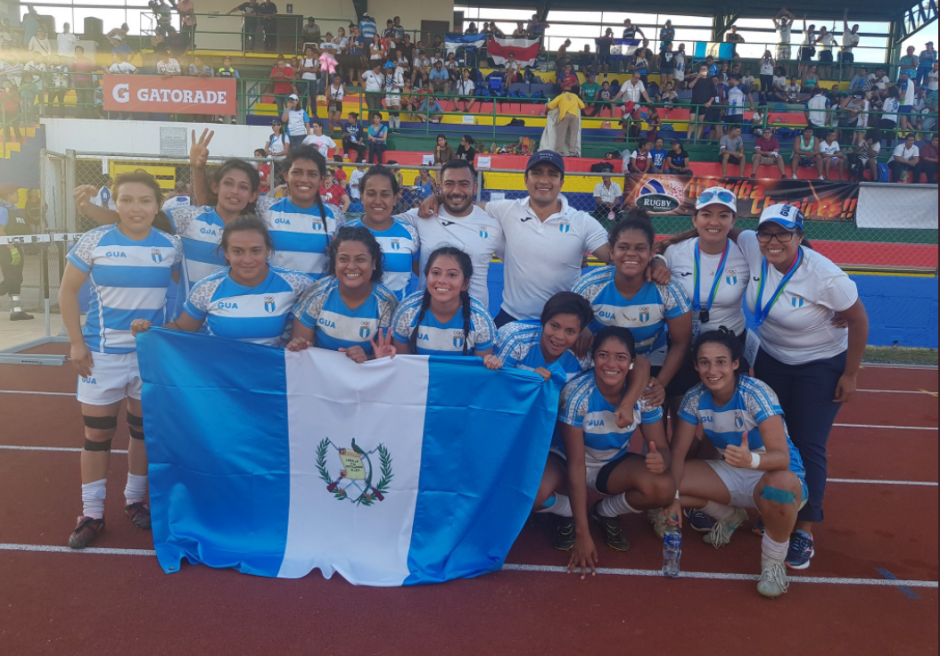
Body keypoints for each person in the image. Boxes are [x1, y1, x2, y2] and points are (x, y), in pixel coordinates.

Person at [59, 172, 183, 549]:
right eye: (126, 200)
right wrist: (76, 344)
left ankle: (134, 501)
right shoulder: (93, 240)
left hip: (149, 357)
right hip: (101, 357)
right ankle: (92, 513)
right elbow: (67, 292)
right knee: (97, 435)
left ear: (157, 205)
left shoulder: (171, 246)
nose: (136, 208)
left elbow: (183, 292)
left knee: (142, 432)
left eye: (144, 200)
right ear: (115, 203)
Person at [663, 330, 808, 597]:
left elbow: (782, 458)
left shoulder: (756, 393)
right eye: (704, 362)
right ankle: (729, 517)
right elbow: (678, 455)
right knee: (662, 483)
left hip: (774, 475)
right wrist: (672, 497)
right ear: (696, 366)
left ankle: (773, 563)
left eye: (720, 361)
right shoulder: (694, 398)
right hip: (732, 472)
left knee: (781, 484)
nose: (712, 369)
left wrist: (750, 459)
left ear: (735, 363)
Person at [531, 326, 670, 567]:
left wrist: (662, 460)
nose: (611, 363)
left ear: (631, 362)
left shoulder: (644, 394)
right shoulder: (577, 395)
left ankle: (604, 511)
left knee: (664, 487)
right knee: (532, 493)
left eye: (621, 357)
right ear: (593, 358)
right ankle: (569, 513)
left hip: (610, 464)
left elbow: (663, 449)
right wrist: (582, 533)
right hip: (566, 461)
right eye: (603, 355)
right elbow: (576, 465)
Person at [76, 154, 262, 320]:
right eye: (228, 183)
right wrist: (90, 208)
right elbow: (135, 220)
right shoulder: (189, 217)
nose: (235, 191)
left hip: (233, 324)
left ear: (253, 195)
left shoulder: (256, 231)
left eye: (243, 187)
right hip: (188, 325)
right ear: (215, 187)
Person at [573, 212, 692, 411]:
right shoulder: (590, 286)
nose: (631, 254)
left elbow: (681, 343)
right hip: (604, 358)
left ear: (651, 253)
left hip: (650, 355)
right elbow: (567, 318)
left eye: (640, 248)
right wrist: (580, 326)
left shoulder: (668, 290)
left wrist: (660, 384)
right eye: (623, 247)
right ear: (611, 251)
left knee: (652, 406)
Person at [132, 216, 313, 345]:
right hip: (222, 383)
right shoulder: (207, 288)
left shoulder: (297, 284)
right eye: (238, 251)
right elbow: (182, 327)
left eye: (256, 251)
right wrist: (150, 331)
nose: (247, 259)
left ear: (267, 250)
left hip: (272, 380)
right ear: (226, 253)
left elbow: (327, 298)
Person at [192, 137, 336, 280]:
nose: (304, 179)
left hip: (316, 300)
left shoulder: (335, 216)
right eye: (297, 172)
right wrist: (197, 169)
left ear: (322, 179)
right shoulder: (265, 207)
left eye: (312, 174)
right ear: (286, 175)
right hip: (274, 298)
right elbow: (216, 207)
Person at [396, 160, 501, 308]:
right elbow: (377, 223)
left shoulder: (493, 224)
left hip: (474, 319)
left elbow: (516, 263)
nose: (456, 191)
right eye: (449, 184)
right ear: (440, 187)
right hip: (427, 316)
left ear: (475, 187)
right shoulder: (421, 215)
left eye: (464, 184)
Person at [288, 226, 397, 362]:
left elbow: (386, 357)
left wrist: (367, 358)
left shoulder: (386, 302)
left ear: (373, 263)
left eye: (360, 259)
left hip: (366, 378)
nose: (351, 266)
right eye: (344, 259)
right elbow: (299, 352)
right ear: (335, 263)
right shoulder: (317, 294)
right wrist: (299, 345)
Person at [390, 247, 495, 357]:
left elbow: (480, 371)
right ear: (426, 277)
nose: (442, 280)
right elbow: (402, 364)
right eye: (435, 273)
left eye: (452, 275)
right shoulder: (407, 312)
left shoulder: (480, 319)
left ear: (465, 283)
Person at [485, 292, 595, 386]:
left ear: (580, 333)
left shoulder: (586, 357)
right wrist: (528, 382)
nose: (560, 336)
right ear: (543, 321)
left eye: (570, 331)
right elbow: (493, 387)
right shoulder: (514, 339)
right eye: (554, 326)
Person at [344, 166, 419, 300]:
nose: (378, 201)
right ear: (362, 196)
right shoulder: (344, 232)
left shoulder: (410, 233)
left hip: (397, 317)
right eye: (371, 193)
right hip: (355, 317)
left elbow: (419, 271)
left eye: (385, 194)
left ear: (395, 199)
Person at [0, 183, 32, 321]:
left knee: (17, 279)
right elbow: (1, 231)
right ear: (8, 195)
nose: (18, 196)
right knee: (11, 279)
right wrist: (12, 249)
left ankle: (16, 311)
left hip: (16, 248)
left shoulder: (15, 210)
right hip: (7, 249)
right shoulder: (3, 210)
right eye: (16, 193)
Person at [546, 90, 585, 157]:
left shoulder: (561, 96)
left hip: (564, 115)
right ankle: (572, 153)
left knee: (561, 135)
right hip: (574, 116)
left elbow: (550, 105)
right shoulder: (575, 96)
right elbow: (582, 106)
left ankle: (559, 152)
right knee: (573, 135)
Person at [687, 65, 716, 141]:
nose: (703, 70)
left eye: (704, 69)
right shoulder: (695, 78)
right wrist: (697, 78)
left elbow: (714, 94)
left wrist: (709, 102)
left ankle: (696, 139)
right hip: (694, 102)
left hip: (703, 104)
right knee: (691, 121)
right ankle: (688, 138)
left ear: (707, 71)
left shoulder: (710, 81)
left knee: (700, 122)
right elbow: (689, 86)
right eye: (702, 69)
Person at [297, 46, 322, 116]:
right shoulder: (302, 60)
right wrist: (310, 68)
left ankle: (314, 113)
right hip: (304, 79)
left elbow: (315, 70)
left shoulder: (316, 61)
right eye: (306, 51)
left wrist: (305, 69)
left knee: (313, 97)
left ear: (312, 52)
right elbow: (301, 70)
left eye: (309, 51)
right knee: (304, 97)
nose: (308, 52)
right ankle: (303, 112)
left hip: (313, 80)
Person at [840, 10, 859, 74]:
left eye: (855, 28)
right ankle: (839, 77)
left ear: (857, 29)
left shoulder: (857, 36)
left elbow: (855, 44)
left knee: (850, 65)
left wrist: (847, 47)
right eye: (853, 27)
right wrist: (845, 13)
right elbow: (845, 21)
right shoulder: (847, 31)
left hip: (849, 51)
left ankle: (849, 78)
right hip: (842, 51)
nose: (854, 28)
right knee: (840, 65)